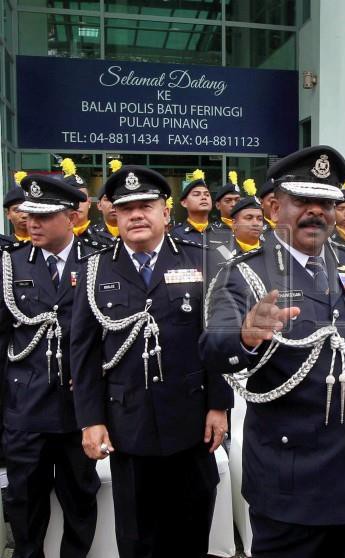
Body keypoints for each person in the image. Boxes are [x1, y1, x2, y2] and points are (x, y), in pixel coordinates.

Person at [200, 145, 345, 557]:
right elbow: (214, 348)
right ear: (274, 206)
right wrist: (245, 336)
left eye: (326, 202)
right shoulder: (243, 274)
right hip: (292, 481)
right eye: (303, 200)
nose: (317, 211)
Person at [70, 165, 233, 558]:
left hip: (191, 422)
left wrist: (219, 404)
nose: (136, 215)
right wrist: (90, 420)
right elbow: (84, 351)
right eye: (127, 209)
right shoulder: (95, 269)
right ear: (114, 215)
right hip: (129, 426)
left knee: (191, 532)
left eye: (146, 205)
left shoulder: (203, 260)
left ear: (165, 211)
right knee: (137, 537)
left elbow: (217, 337)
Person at [0, 174, 102, 558]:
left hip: (79, 409)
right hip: (26, 408)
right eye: (29, 215)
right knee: (25, 503)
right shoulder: (9, 266)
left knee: (80, 500)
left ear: (72, 217)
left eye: (43, 216)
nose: (32, 223)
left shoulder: (96, 262)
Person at [171, 169, 217, 245]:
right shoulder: (175, 235)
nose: (204, 197)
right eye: (196, 194)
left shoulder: (222, 233)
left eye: (207, 194)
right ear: (184, 203)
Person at [84, 159, 123, 246]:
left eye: (118, 199)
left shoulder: (137, 233)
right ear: (99, 205)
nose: (113, 204)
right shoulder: (88, 236)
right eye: (107, 199)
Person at [5, 172, 30, 242]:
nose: (24, 215)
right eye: (17, 210)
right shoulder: (3, 246)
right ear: (8, 214)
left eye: (29, 209)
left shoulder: (51, 245)